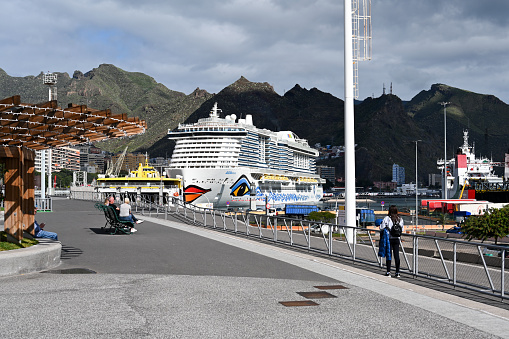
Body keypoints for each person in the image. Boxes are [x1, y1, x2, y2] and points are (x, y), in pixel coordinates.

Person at [379, 205, 404, 278]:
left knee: (389, 255)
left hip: (389, 239)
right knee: (397, 256)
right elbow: (402, 229)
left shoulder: (387, 218)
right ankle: (397, 272)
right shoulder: (400, 219)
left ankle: (388, 271)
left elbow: (382, 227)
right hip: (397, 239)